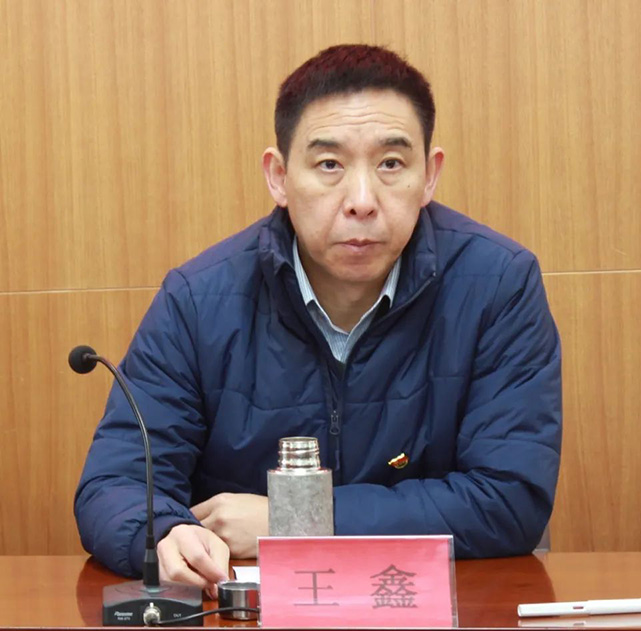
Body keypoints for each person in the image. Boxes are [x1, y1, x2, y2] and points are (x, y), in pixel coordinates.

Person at [75, 44, 562, 597]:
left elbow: (509, 499)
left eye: (391, 164)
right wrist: (165, 533)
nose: (362, 200)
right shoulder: (198, 300)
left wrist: (296, 520)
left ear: (429, 176)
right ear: (279, 177)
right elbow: (114, 486)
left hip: (435, 605)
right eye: (330, 165)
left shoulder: (497, 285)